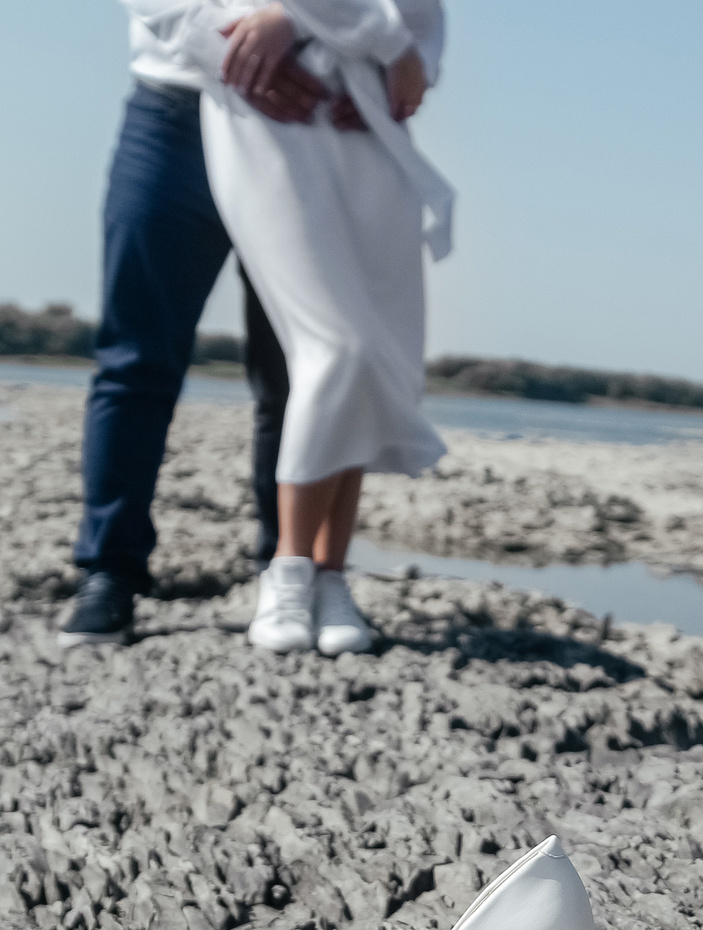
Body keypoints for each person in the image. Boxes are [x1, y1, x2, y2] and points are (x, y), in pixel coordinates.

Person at [60, 3, 344, 648]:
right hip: (174, 115)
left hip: (304, 126)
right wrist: (245, 50)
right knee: (135, 360)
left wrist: (295, 21)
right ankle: (109, 571)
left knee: (298, 370)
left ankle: (287, 569)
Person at [203, 1, 451, 657]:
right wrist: (365, 34)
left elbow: (423, 20)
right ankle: (287, 569)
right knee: (339, 346)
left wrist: (411, 62)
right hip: (267, 115)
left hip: (367, 125)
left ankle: (330, 576)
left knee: (371, 356)